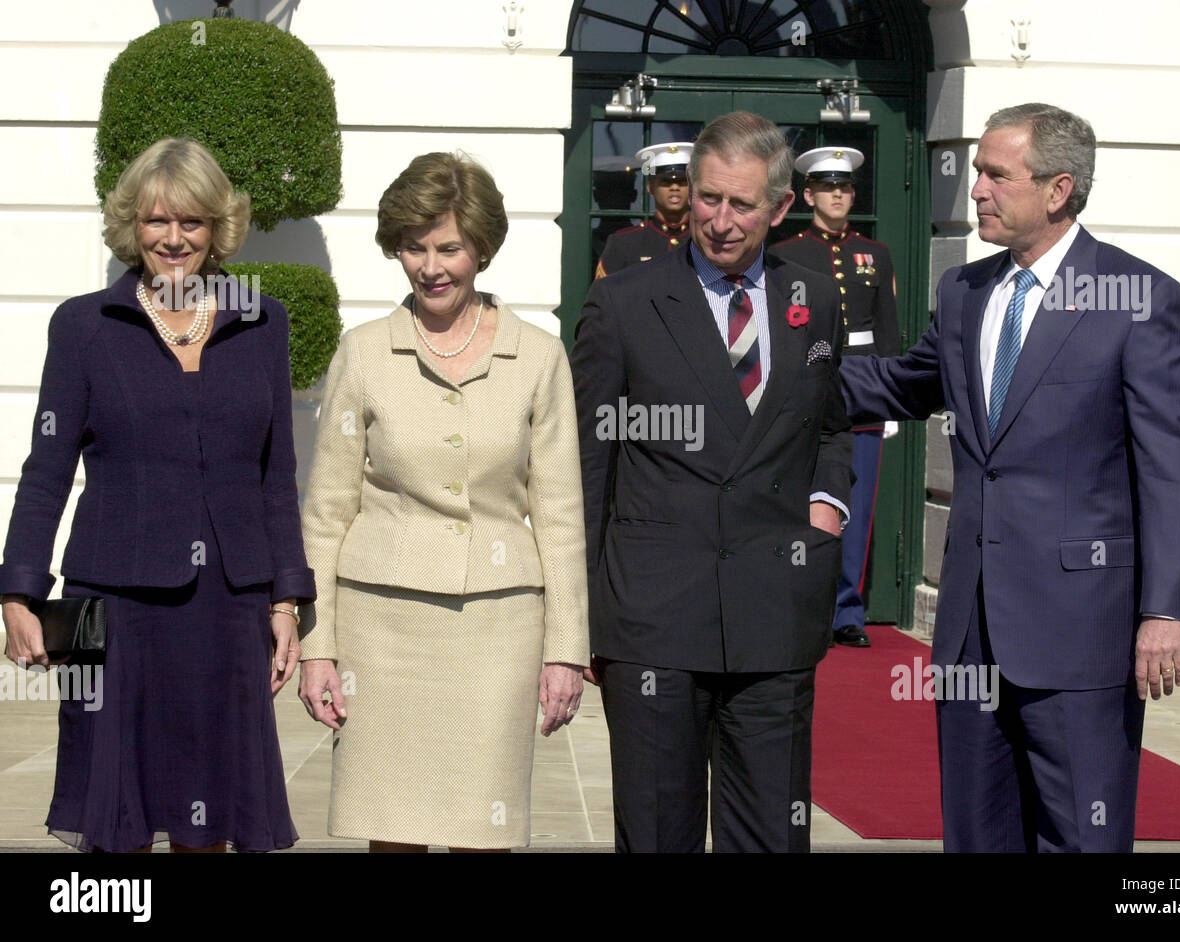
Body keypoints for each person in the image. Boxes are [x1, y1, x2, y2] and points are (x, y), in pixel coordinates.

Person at [839, 103, 1180, 852]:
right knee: (978, 835)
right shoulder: (965, 292)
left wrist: (1165, 610)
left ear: (1058, 188)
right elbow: (904, 385)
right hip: (972, 628)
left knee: (1081, 834)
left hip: (1082, 630)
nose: (975, 188)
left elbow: (1172, 466)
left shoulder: (1138, 299)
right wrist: (777, 376)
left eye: (996, 174)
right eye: (976, 171)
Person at [0, 137, 313, 853]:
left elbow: (277, 473)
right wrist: (17, 595)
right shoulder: (82, 326)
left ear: (218, 228)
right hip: (103, 601)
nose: (174, 239)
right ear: (130, 226)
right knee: (114, 818)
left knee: (213, 819)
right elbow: (47, 468)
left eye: (192, 222)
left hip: (228, 602)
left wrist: (286, 599)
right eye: (156, 221)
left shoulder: (264, 323)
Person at [572, 112, 853, 853]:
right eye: (707, 198)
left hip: (775, 613)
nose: (720, 221)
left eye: (742, 204)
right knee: (659, 834)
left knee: (770, 837)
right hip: (654, 618)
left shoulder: (815, 298)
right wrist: (579, 619)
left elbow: (830, 425)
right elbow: (588, 463)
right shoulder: (624, 302)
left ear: (781, 208)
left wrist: (827, 507)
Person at [297, 152, 588, 853]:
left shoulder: (541, 358)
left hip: (497, 631)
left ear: (482, 248)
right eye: (413, 247)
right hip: (382, 630)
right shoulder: (364, 353)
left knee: (481, 833)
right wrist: (319, 647)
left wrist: (566, 650)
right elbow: (326, 511)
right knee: (390, 832)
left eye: (449, 248)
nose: (431, 267)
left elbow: (560, 515)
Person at [769, 145, 903, 647]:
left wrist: (888, 394)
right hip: (809, 378)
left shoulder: (876, 253)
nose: (838, 195)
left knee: (860, 499)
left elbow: (888, 330)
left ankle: (847, 611)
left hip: (863, 384)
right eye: (828, 188)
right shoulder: (786, 252)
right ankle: (803, 602)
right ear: (808, 195)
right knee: (802, 495)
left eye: (845, 187)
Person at [593, 142, 692, 278]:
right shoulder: (623, 243)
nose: (674, 187)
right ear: (650, 188)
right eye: (665, 182)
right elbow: (603, 297)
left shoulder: (707, 240)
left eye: (682, 182)